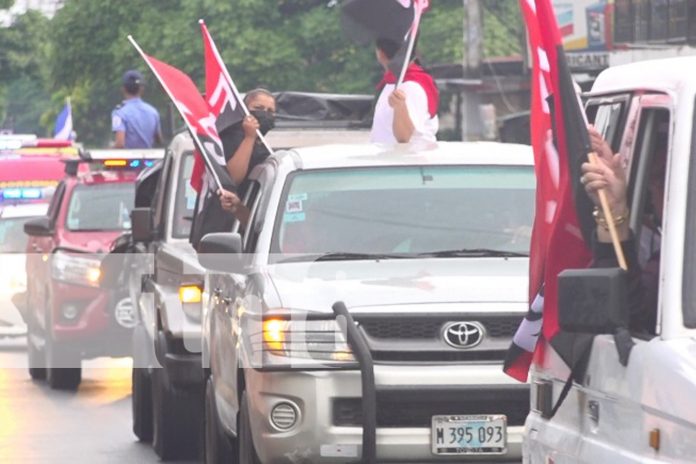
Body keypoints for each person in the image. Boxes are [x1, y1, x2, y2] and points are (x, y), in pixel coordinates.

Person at [581, 125, 665, 335]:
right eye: (660, 180)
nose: (662, 192)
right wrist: (612, 209)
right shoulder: (671, 266)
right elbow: (630, 319)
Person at [370, 37, 439, 145]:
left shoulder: (411, 86)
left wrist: (400, 107)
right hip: (391, 158)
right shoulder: (394, 81)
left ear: (381, 54)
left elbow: (403, 137)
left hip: (408, 159)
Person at [220, 88, 276, 185]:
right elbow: (232, 179)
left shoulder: (261, 143)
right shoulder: (231, 136)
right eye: (258, 108)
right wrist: (249, 137)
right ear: (244, 110)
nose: (265, 113)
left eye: (270, 111)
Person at [112, 70, 162, 149]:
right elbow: (158, 140)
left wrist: (108, 149)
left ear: (123, 89)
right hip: (149, 160)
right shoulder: (153, 112)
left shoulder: (119, 113)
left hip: (128, 160)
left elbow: (120, 144)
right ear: (141, 89)